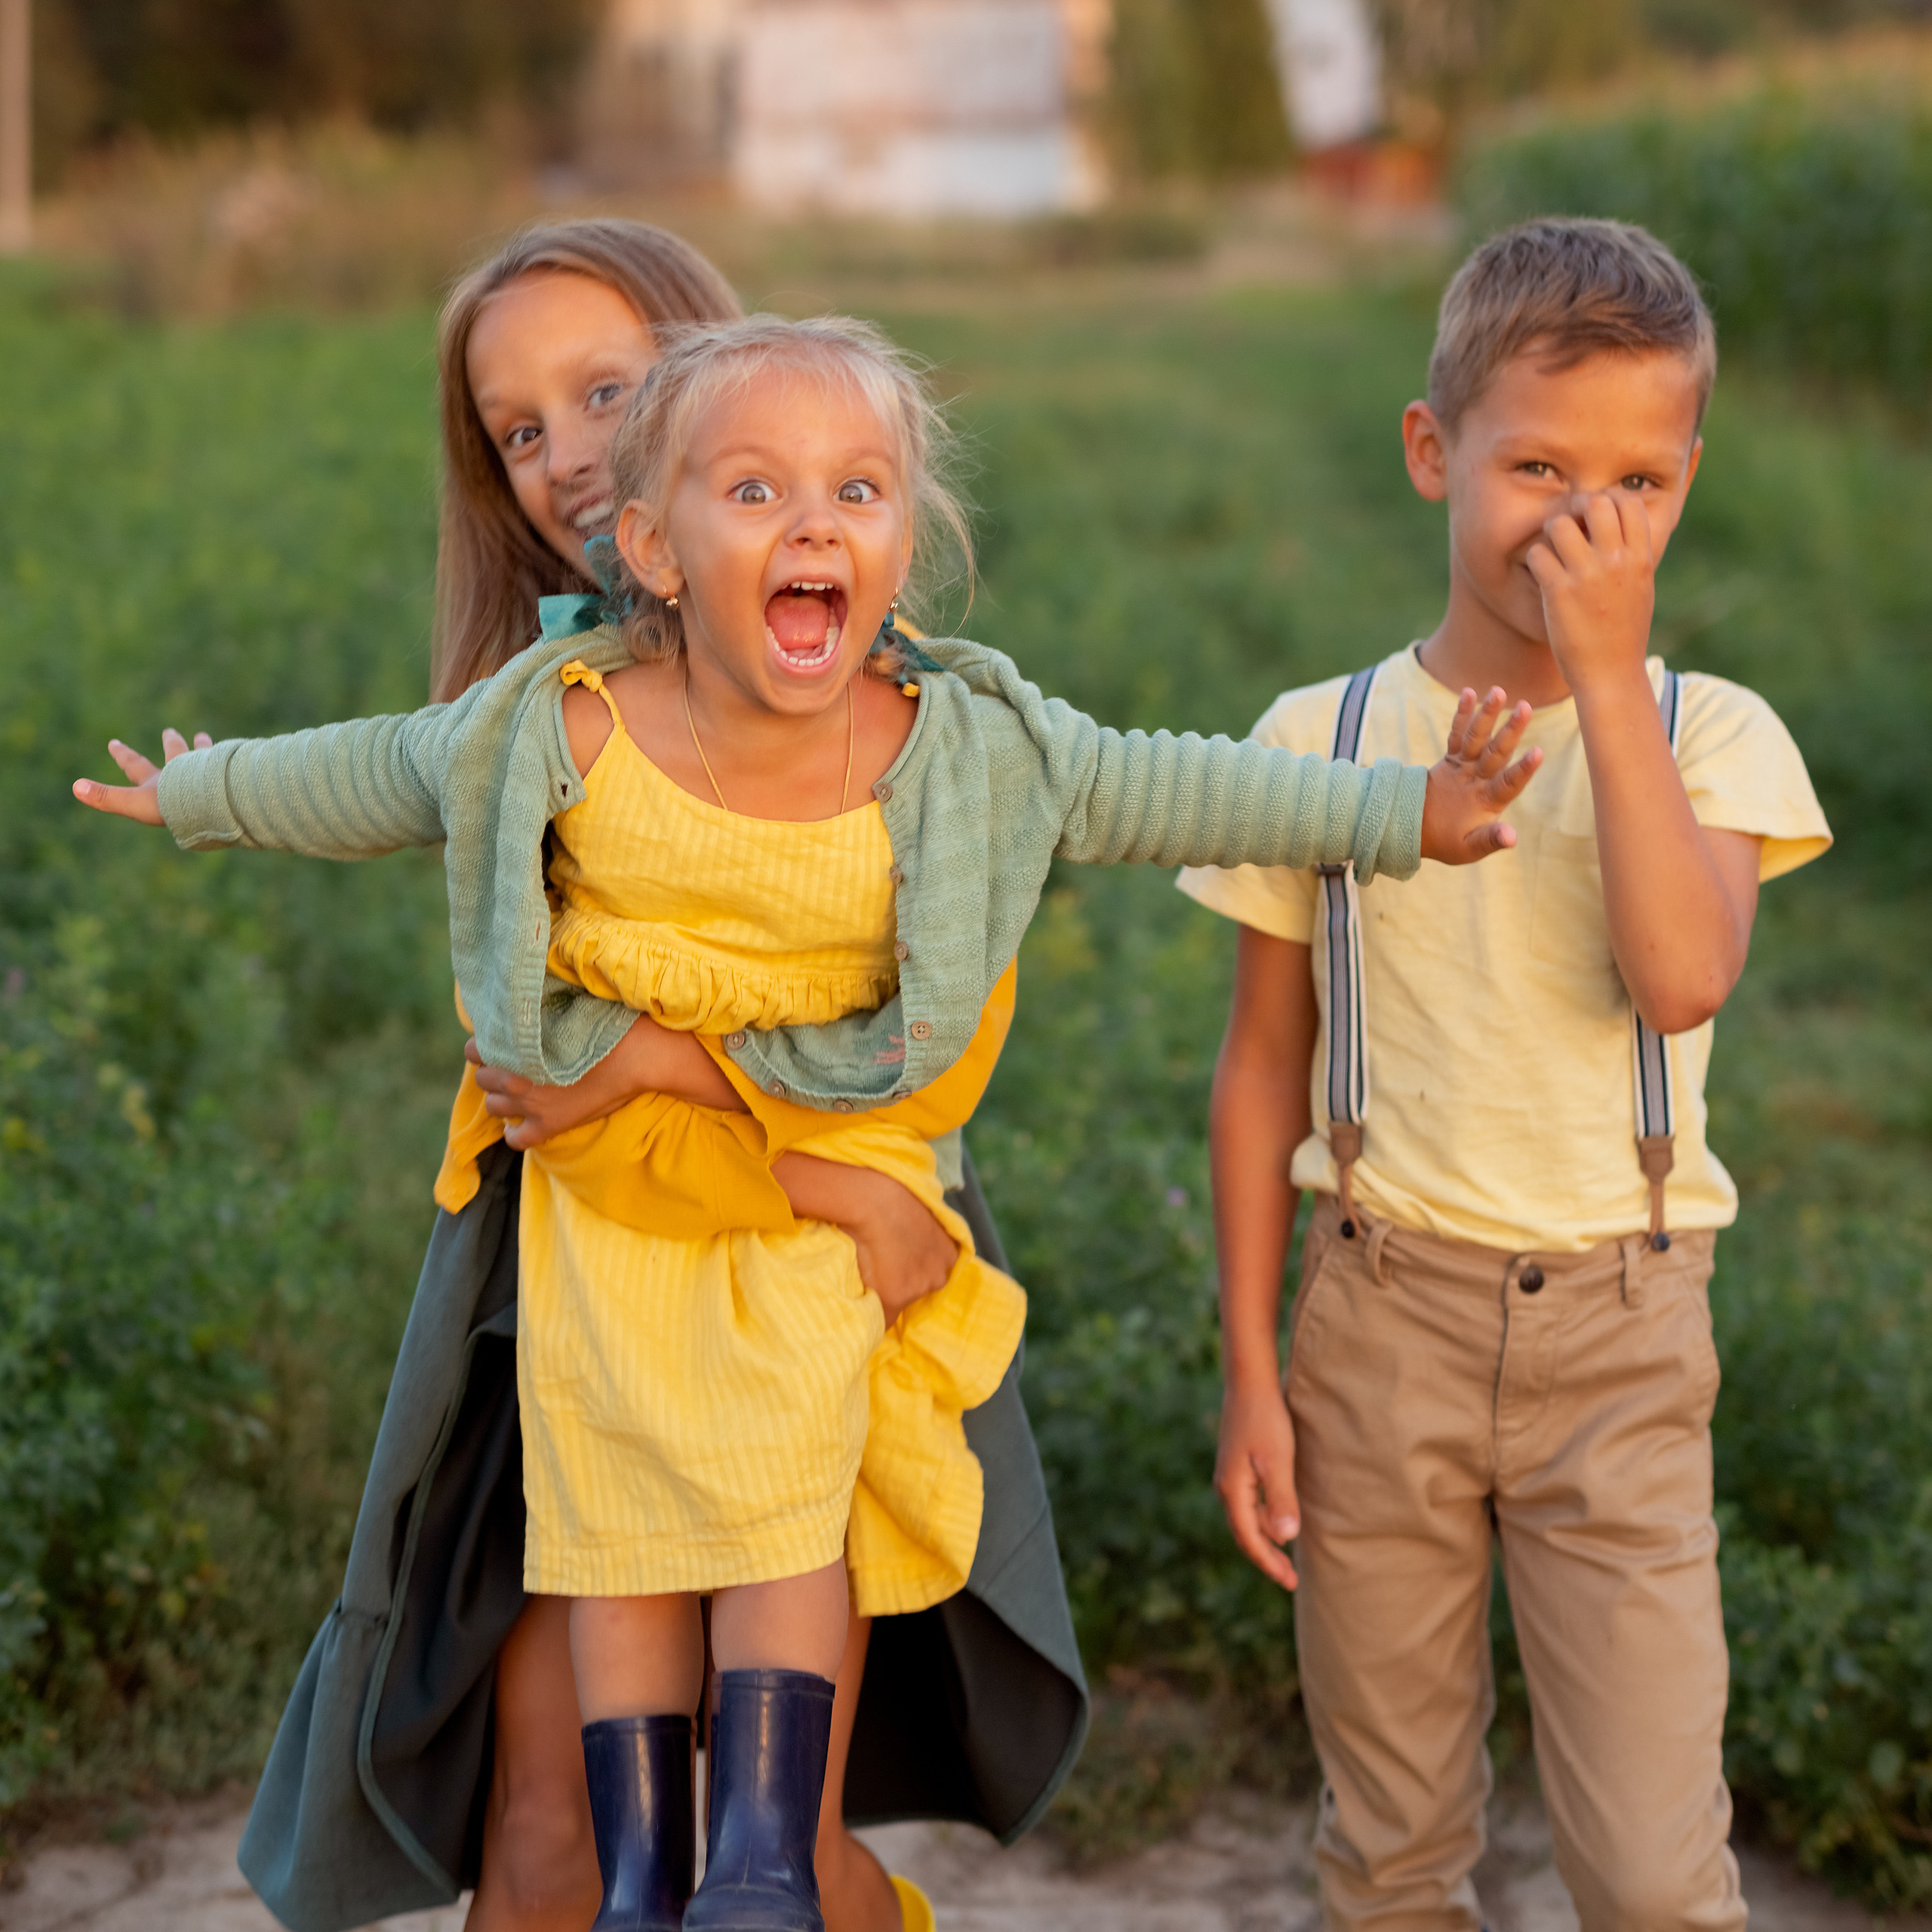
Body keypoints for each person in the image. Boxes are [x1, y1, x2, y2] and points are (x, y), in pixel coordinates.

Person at [78, 312, 1541, 1931]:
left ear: (904, 540)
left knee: (787, 1503)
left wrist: (1408, 810)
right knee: (613, 1539)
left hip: (810, 1209)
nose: (813, 526)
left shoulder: (957, 747)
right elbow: (385, 772)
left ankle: (764, 1856)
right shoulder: (559, 725)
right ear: (654, 545)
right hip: (609, 1228)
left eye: (856, 491)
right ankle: (648, 1875)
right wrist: (207, 793)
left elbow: (1173, 784)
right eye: (759, 491)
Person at [146, 220, 1069, 1932]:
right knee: (556, 1826)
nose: (564, 447)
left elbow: (895, 1055)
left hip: (806, 1296)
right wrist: (222, 787)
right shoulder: (545, 721)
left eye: (603, 388)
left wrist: (824, 1179)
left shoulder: (880, 718)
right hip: (577, 1303)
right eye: (517, 428)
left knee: (762, 1822)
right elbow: (555, 1083)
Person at [1188, 217, 1833, 1928]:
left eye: (1632, 480)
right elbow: (1262, 1072)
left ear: (1683, 485)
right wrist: (1250, 1365)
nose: (1578, 517)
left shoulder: (1706, 732)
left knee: (1645, 1870)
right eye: (1533, 463)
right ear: (1430, 453)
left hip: (1617, 1341)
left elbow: (1678, 972)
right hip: (1372, 1318)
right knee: (1388, 1843)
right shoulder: (1312, 742)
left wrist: (1605, 680)